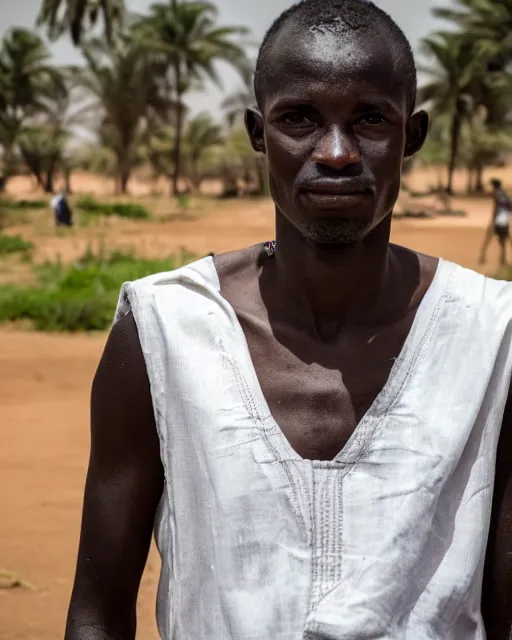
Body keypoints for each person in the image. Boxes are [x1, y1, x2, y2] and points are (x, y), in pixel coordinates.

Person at [65, 1, 512, 639]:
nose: (334, 153)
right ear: (257, 132)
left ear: (411, 136)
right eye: (299, 118)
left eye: (370, 120)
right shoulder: (164, 331)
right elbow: (97, 613)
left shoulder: (493, 339)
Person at [479, 178, 512, 268]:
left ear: (494, 185)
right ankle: (502, 260)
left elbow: (498, 206)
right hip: (504, 219)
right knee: (503, 240)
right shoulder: (503, 193)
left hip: (498, 219)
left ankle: (482, 256)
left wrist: (493, 219)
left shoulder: (497, 194)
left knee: (489, 238)